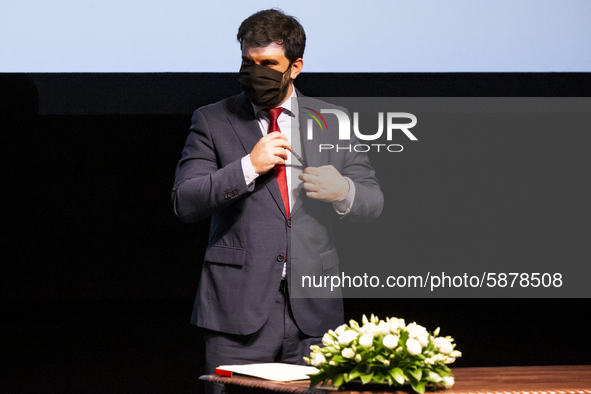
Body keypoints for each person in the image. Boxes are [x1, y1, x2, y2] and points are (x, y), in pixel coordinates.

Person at [172, 9, 383, 375]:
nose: (256, 74)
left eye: (268, 63)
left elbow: (373, 201)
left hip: (315, 317)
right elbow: (185, 200)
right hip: (236, 314)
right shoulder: (212, 120)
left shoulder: (334, 120)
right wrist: (247, 167)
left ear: (295, 67)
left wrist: (343, 190)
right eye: (248, 62)